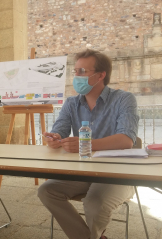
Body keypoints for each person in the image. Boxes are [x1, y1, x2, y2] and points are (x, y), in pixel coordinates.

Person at [37, 49, 139, 239]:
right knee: (46, 190)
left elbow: (126, 139)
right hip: (83, 171)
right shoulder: (71, 103)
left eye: (82, 71)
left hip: (118, 172)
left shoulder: (124, 99)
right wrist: (55, 138)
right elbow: (61, 127)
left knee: (94, 202)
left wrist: (88, 144)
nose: (76, 76)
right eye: (75, 71)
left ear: (100, 75)